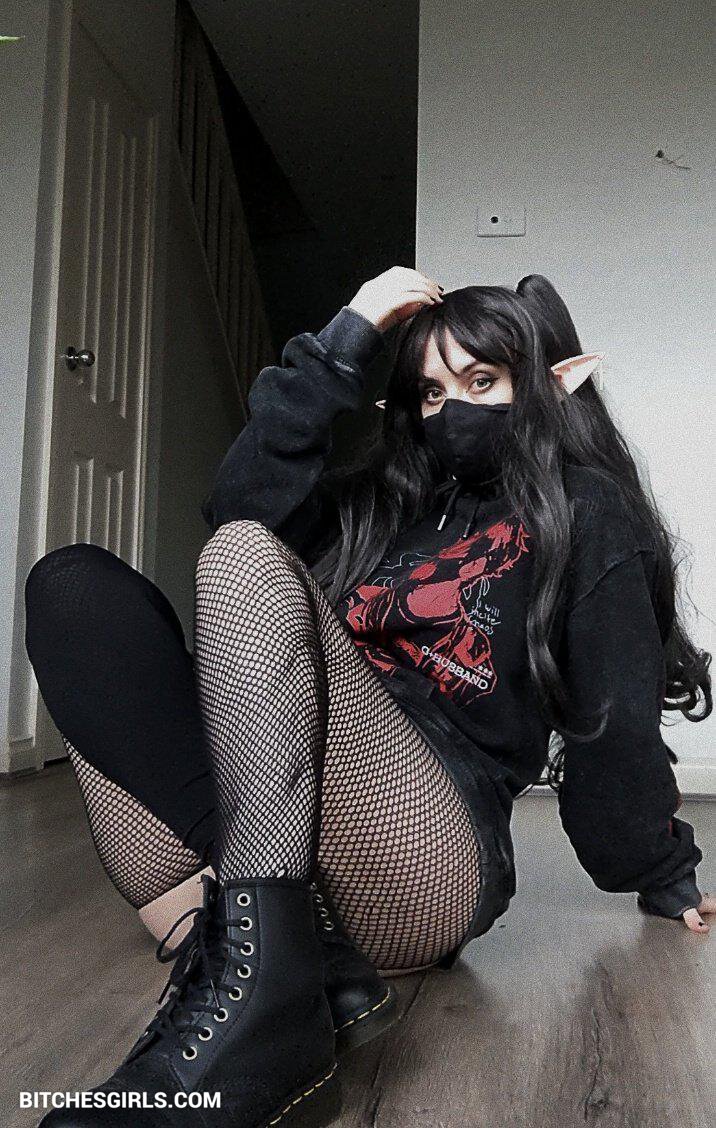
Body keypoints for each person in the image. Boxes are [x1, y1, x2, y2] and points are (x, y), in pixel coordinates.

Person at [24, 267, 713, 1127]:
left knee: (243, 558)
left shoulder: (585, 508)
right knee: (72, 585)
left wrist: (658, 869)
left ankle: (268, 1011)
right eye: (430, 391)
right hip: (240, 847)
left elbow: (611, 721)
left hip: (415, 858)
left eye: (482, 382)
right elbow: (238, 504)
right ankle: (301, 954)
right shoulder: (383, 500)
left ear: (552, 384)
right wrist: (346, 334)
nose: (451, 410)